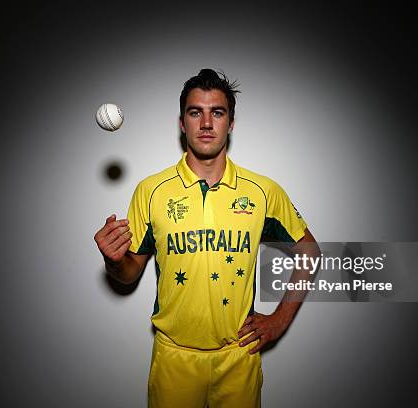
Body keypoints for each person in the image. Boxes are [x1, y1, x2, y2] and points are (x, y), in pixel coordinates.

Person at [95, 69, 318, 407]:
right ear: (182, 123)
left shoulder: (262, 191)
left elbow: (310, 252)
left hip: (238, 358)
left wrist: (278, 321)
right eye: (195, 112)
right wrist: (113, 261)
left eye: (218, 112)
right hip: (174, 358)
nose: (206, 123)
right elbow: (128, 274)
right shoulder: (152, 191)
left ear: (230, 123)